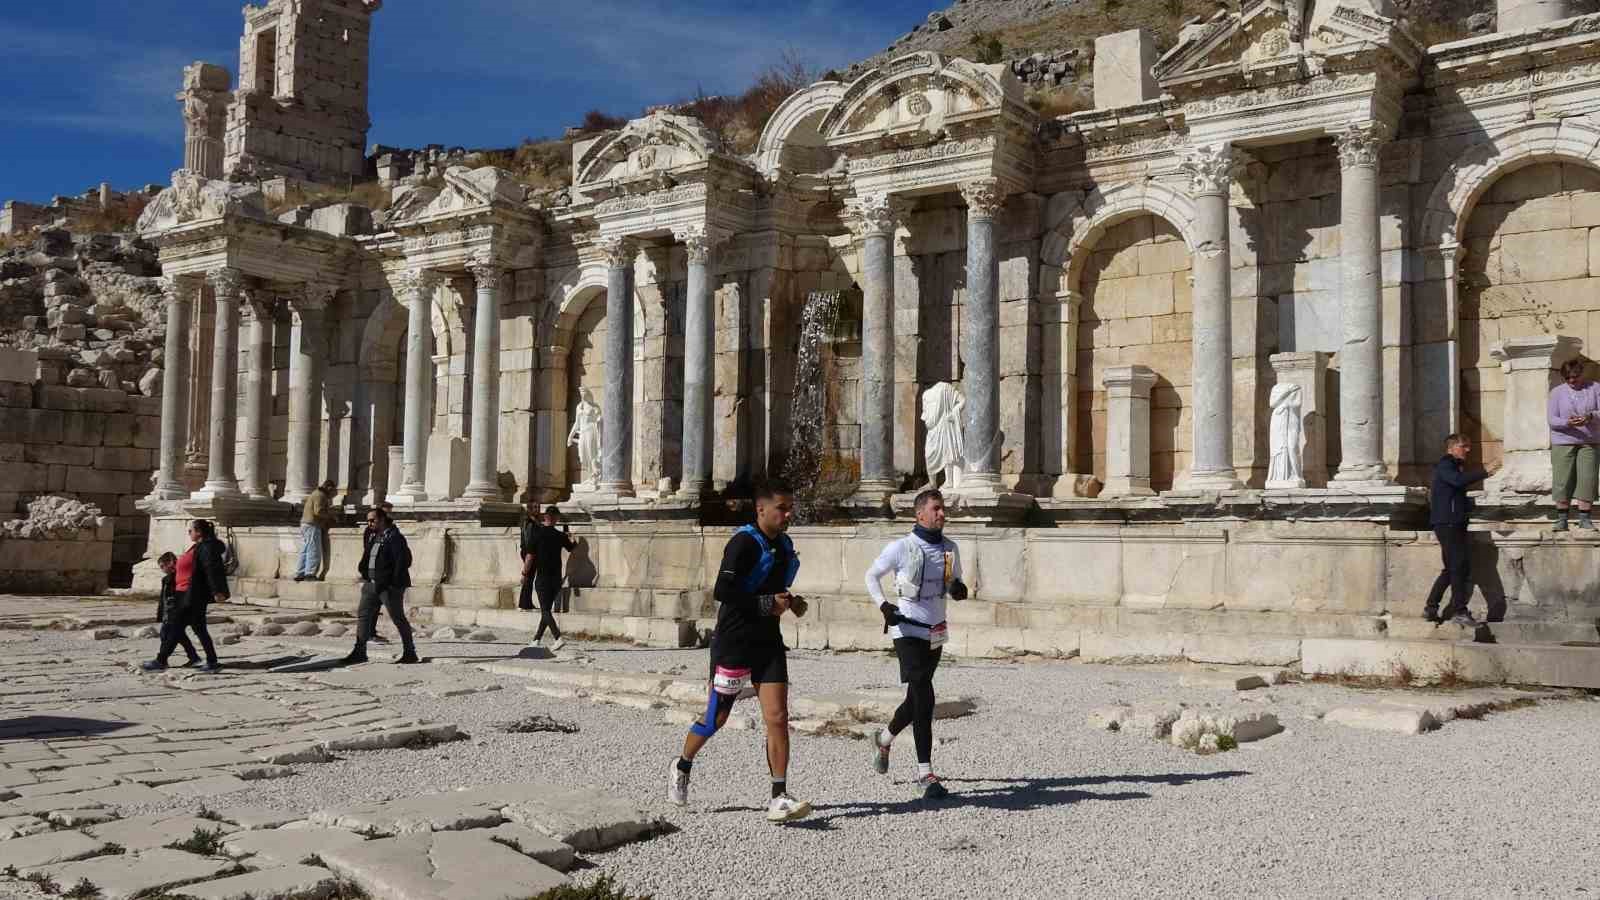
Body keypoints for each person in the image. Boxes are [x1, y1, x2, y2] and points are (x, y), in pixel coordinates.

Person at [667, 479, 811, 823]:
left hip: (768, 642)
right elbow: (723, 590)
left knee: (777, 717)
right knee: (717, 717)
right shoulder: (742, 543)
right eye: (782, 508)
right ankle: (682, 764)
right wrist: (766, 603)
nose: (788, 514)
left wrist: (791, 601)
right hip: (734, 640)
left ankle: (779, 796)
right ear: (761, 509)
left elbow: (773, 587)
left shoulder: (784, 544)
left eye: (790, 507)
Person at [864, 488, 966, 801]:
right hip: (905, 628)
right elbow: (871, 576)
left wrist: (958, 588)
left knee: (915, 698)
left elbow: (954, 581)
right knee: (925, 694)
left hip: (935, 630)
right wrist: (883, 605)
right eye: (936, 509)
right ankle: (926, 774)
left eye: (943, 508)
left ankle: (883, 737)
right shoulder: (901, 547)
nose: (942, 514)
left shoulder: (950, 549)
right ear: (919, 514)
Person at [142, 519, 226, 673]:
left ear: (199, 532)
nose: (189, 533)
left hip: (191, 594)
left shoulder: (205, 548)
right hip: (186, 593)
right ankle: (211, 660)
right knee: (199, 629)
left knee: (175, 627)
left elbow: (211, 569)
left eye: (191, 530)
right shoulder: (198, 547)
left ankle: (161, 660)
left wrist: (217, 591)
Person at [1425, 434, 1490, 627]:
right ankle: (1460, 611)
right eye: (1464, 446)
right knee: (1458, 566)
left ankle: (1431, 607)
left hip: (1452, 522)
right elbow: (1458, 481)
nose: (1468, 450)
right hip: (1448, 524)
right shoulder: (1446, 464)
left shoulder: (1452, 466)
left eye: (1468, 446)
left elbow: (1453, 494)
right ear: (1451, 448)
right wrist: (1485, 471)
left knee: (1452, 568)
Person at [344, 506, 419, 665]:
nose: (369, 523)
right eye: (368, 521)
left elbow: (402, 562)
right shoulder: (374, 536)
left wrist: (393, 583)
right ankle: (360, 651)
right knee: (364, 616)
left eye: (373, 520)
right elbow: (368, 557)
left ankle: (410, 651)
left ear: (382, 519)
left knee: (398, 618)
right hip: (371, 584)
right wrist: (365, 574)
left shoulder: (395, 537)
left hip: (388, 586)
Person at [1548, 359, 1600, 531]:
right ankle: (1561, 519)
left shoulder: (1594, 388)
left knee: (1588, 478)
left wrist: (1590, 417)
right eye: (1568, 378)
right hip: (1563, 441)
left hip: (1589, 441)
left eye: (1575, 377)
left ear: (1581, 374)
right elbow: (1552, 420)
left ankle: (1584, 518)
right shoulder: (1557, 392)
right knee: (1562, 480)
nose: (1572, 381)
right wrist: (1567, 423)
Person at [520, 503, 576, 650]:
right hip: (556, 578)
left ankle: (557, 638)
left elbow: (530, 556)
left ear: (545, 517)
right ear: (556, 519)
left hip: (543, 578)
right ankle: (536, 639)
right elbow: (571, 548)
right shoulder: (560, 535)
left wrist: (525, 574)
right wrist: (573, 538)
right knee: (546, 610)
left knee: (545, 610)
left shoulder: (537, 534)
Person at [153, 551, 200, 667]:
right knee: (178, 635)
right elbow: (162, 598)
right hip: (167, 611)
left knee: (167, 634)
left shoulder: (178, 577)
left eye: (163, 566)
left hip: (174, 610)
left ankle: (162, 659)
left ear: (170, 564)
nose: (162, 569)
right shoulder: (165, 579)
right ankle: (193, 656)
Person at [357, 502, 394, 643]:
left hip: (380, 575)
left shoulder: (388, 531)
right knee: (369, 608)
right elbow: (369, 553)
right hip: (374, 575)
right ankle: (368, 634)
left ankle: (370, 633)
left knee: (375, 606)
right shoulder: (372, 532)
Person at [295, 480, 337, 582]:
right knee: (314, 549)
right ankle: (310, 574)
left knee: (305, 549)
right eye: (332, 491)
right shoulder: (320, 495)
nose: (332, 494)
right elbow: (318, 511)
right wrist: (330, 517)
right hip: (312, 524)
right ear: (329, 488)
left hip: (306, 523)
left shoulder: (316, 493)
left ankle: (300, 573)